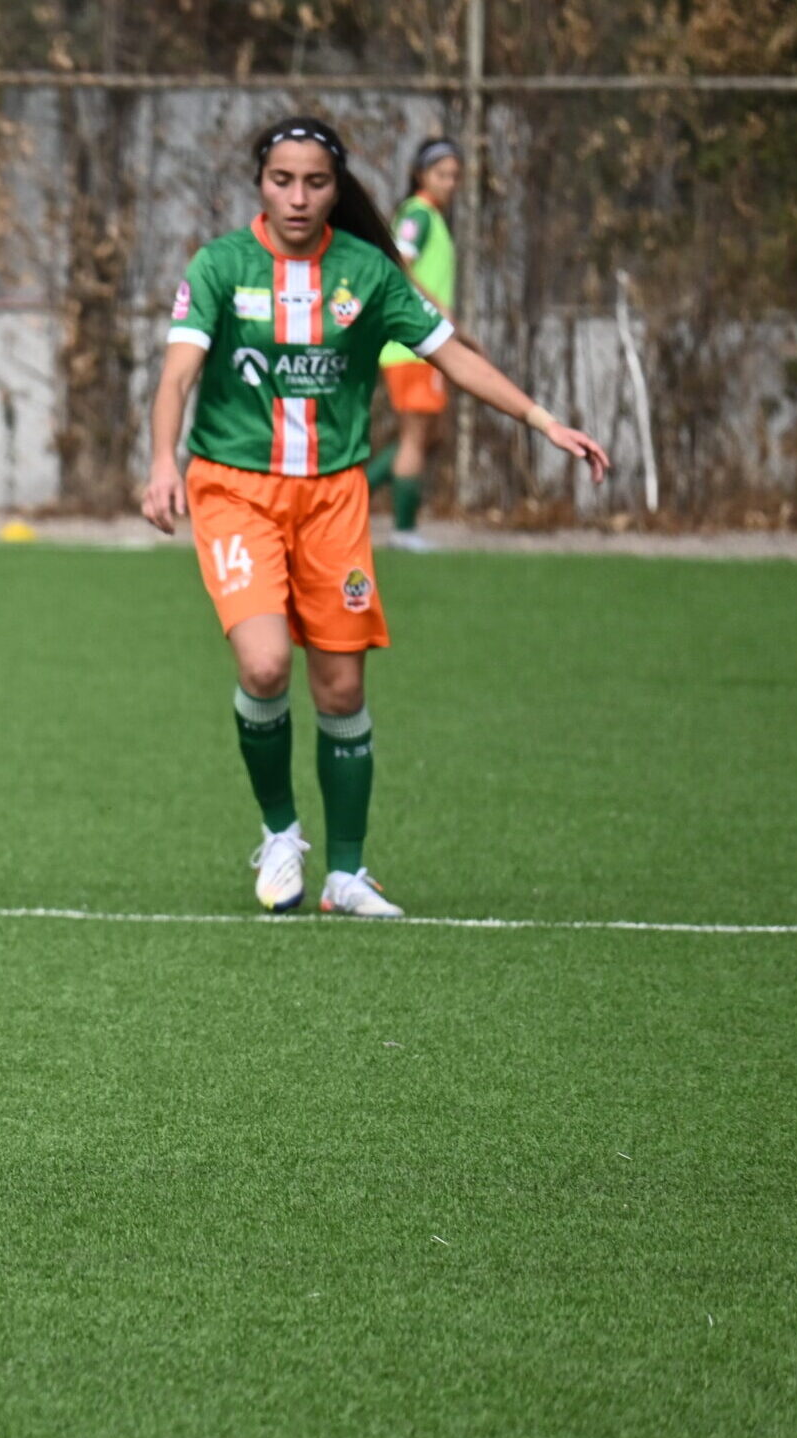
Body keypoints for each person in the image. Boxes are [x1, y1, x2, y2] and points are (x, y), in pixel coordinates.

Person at [139, 116, 606, 917]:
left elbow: (452, 353)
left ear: (338, 187)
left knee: (343, 689)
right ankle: (281, 832)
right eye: (282, 180)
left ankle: (346, 874)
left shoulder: (368, 273)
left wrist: (541, 419)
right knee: (263, 667)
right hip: (235, 490)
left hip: (333, 498)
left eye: (315, 182)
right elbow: (178, 373)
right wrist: (159, 462)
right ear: (260, 180)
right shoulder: (219, 266)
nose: (298, 196)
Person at [366, 136, 465, 551]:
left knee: (428, 434)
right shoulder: (418, 216)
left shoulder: (434, 219)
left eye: (455, 175)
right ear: (420, 175)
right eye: (442, 174)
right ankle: (403, 530)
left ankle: (352, 494)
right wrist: (436, 305)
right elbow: (397, 263)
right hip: (411, 345)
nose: (450, 183)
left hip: (422, 344)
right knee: (414, 437)